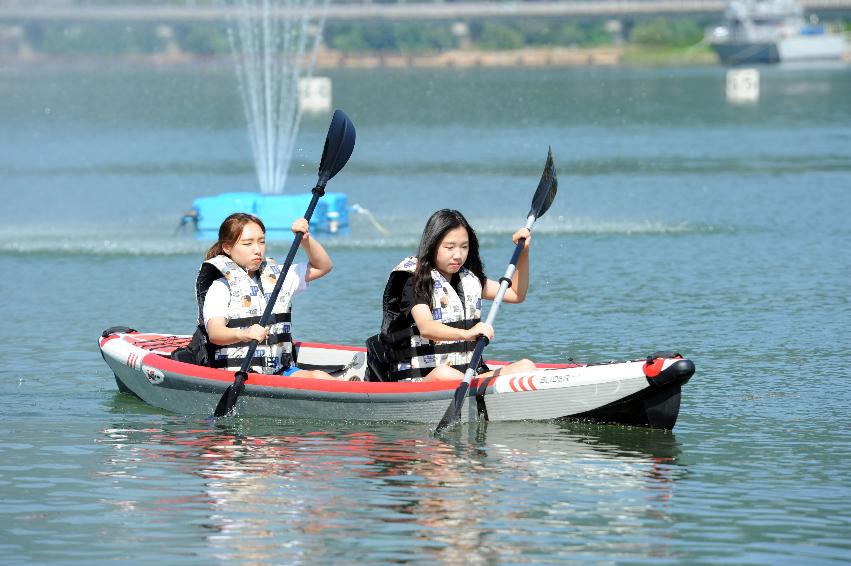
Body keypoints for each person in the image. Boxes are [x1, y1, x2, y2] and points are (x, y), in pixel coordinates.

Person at [373, 209, 537, 382]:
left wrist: (524, 252)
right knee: (444, 373)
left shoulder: (469, 279)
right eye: (449, 247)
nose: (458, 255)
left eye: (464, 247)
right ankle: (480, 387)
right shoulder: (414, 279)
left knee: (526, 366)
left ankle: (479, 385)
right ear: (433, 244)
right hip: (420, 381)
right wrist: (467, 334)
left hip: (467, 377)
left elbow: (515, 294)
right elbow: (426, 328)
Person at [192, 212, 336, 379]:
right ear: (227, 248)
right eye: (247, 243)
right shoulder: (221, 287)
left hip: (280, 371)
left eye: (262, 242)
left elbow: (323, 266)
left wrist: (305, 240)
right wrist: (244, 334)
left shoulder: (279, 276)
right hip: (239, 375)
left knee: (319, 377)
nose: (257, 249)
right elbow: (216, 334)